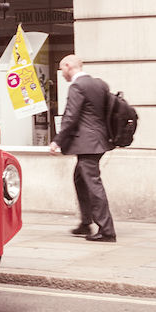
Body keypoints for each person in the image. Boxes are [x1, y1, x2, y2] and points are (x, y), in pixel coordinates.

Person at [50, 54, 116, 242]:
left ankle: (107, 230)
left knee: (93, 183)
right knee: (80, 179)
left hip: (87, 143)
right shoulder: (100, 84)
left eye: (62, 68)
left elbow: (71, 117)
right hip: (99, 141)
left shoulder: (77, 87)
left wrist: (57, 140)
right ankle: (85, 223)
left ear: (69, 66)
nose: (62, 73)